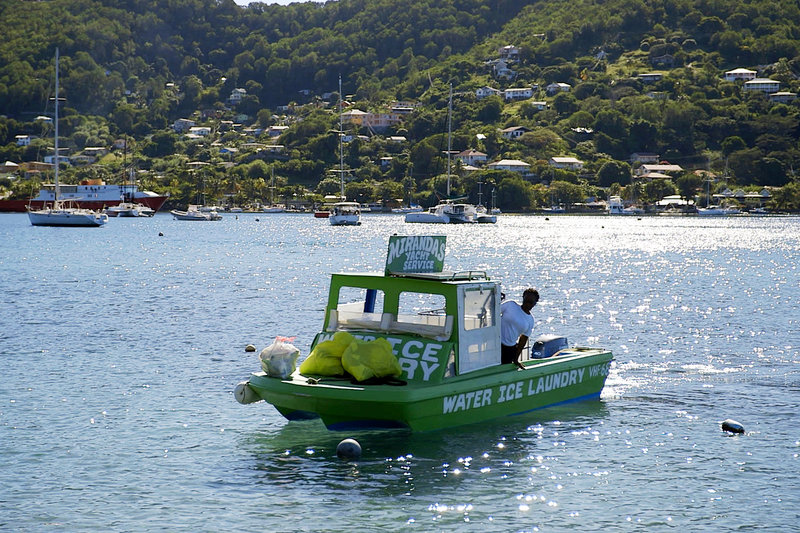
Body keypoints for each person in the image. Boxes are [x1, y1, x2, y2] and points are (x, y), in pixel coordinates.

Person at [500, 288, 539, 370]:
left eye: (531, 302)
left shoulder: (530, 320)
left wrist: (516, 358)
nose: (528, 304)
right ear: (523, 298)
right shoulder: (510, 305)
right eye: (526, 300)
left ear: (535, 303)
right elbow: (492, 313)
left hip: (509, 350)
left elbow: (523, 340)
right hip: (496, 343)